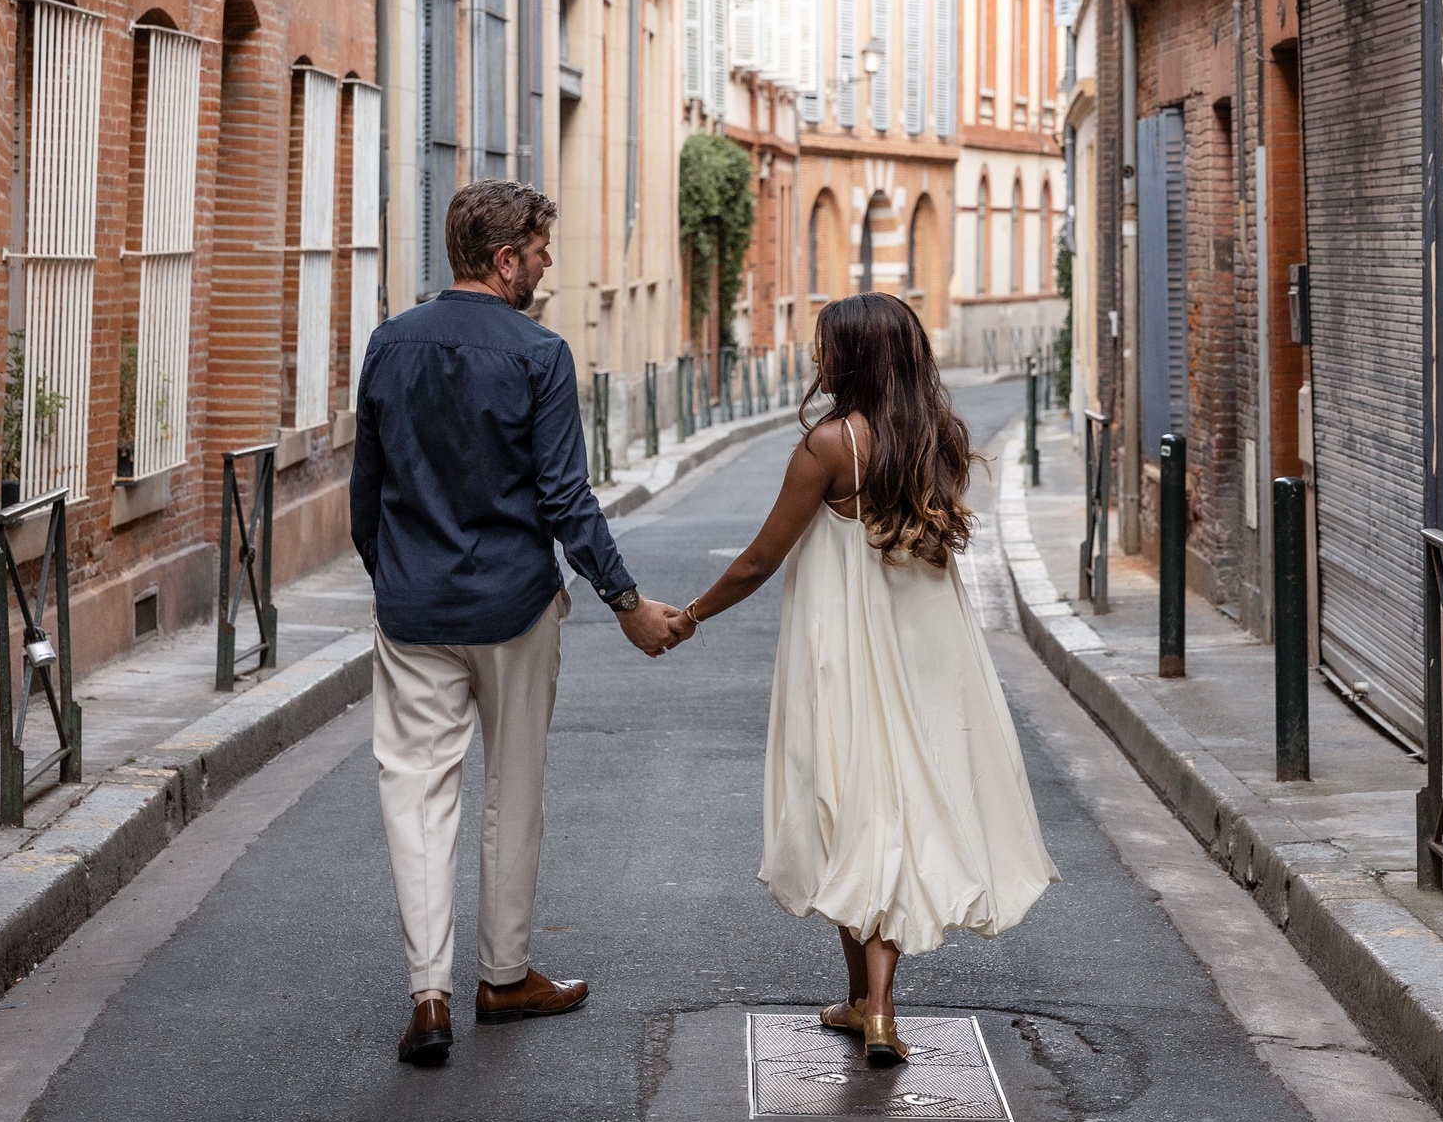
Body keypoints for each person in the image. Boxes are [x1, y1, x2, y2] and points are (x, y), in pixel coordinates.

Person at [348, 180, 694, 1068]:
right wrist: (626, 603)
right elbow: (565, 499)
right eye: (541, 250)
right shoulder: (540, 353)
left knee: (415, 795)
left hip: (414, 610)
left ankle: (429, 993)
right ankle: (503, 975)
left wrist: (396, 578)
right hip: (513, 608)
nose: (549, 263)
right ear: (505, 260)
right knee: (513, 791)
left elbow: (366, 498)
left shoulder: (388, 345)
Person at [672, 292, 1056, 1065]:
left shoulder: (830, 445)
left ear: (853, 357)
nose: (816, 357)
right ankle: (864, 1002)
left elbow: (758, 558)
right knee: (894, 807)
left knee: (848, 805)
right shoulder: (934, 438)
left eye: (825, 346)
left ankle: (875, 1004)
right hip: (926, 648)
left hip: (844, 641)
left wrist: (688, 616)